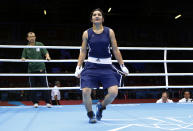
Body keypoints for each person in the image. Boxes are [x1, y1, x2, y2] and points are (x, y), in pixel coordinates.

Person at [75, 8, 129, 123]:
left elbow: (115, 49)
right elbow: (83, 51)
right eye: (94, 15)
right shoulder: (86, 33)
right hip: (91, 66)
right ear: (91, 19)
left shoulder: (109, 31)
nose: (97, 16)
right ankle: (90, 114)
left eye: (99, 14)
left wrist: (122, 65)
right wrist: (78, 67)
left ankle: (101, 106)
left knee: (114, 92)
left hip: (106, 66)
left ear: (103, 19)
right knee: (85, 91)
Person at [21, 32, 51, 108]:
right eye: (30, 37)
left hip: (41, 68)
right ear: (27, 38)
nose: (32, 38)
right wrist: (23, 59)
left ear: (35, 37)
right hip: (31, 70)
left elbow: (46, 52)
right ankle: (35, 102)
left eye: (33, 36)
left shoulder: (40, 44)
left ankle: (47, 102)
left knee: (45, 85)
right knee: (33, 86)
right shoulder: (26, 47)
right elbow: (23, 57)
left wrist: (47, 57)